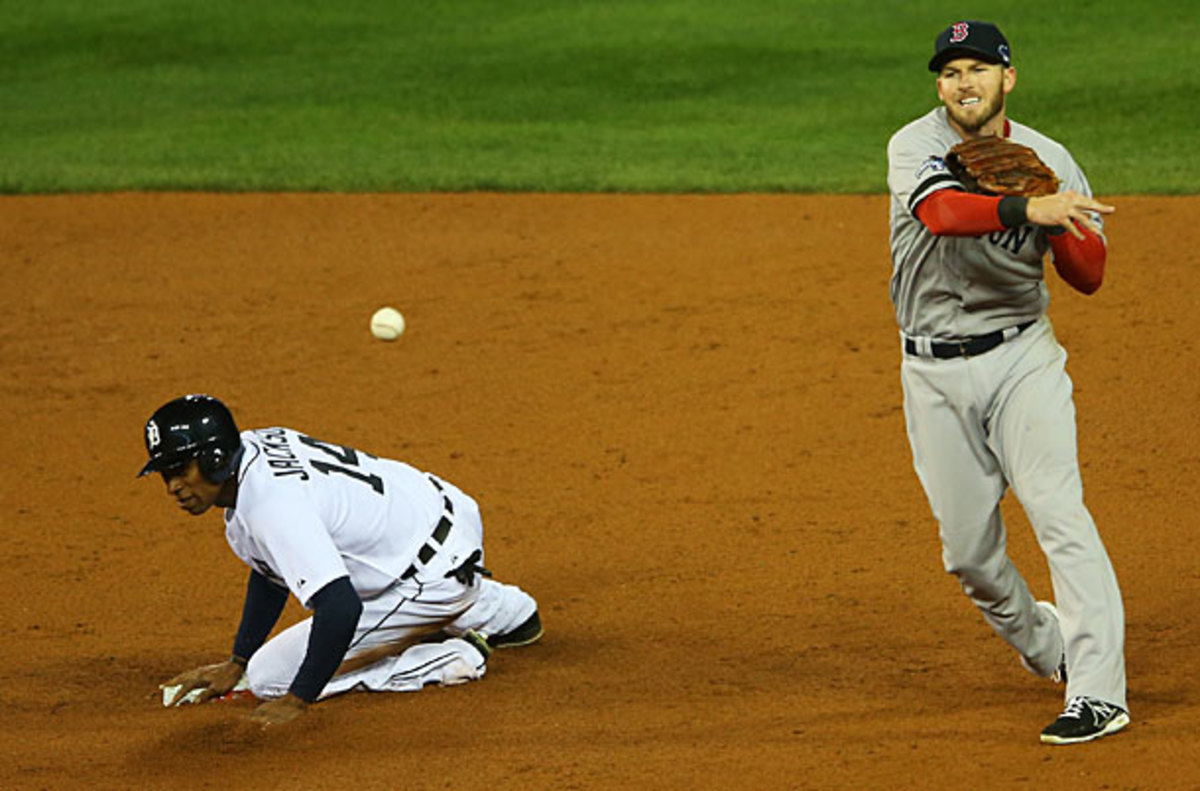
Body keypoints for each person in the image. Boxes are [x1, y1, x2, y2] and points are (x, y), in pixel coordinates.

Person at [886, 21, 1128, 745]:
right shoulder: (915, 145)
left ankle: (1098, 690)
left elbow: (1089, 276)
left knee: (1060, 513)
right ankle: (1047, 647)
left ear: (1007, 78)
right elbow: (940, 211)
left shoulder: (1051, 160)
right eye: (951, 71)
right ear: (939, 85)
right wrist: (1027, 207)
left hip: (1023, 359)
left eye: (979, 69)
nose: (965, 83)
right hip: (929, 370)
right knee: (968, 554)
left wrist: (1057, 220)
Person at [140, 394, 543, 726]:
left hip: (429, 578)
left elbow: (341, 608)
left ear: (214, 458)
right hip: (441, 516)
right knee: (272, 649)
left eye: (180, 470)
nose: (173, 487)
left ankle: (444, 657)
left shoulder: (272, 506)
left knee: (269, 678)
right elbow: (270, 570)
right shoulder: (252, 450)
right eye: (165, 474)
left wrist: (298, 699)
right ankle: (497, 608)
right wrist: (236, 659)